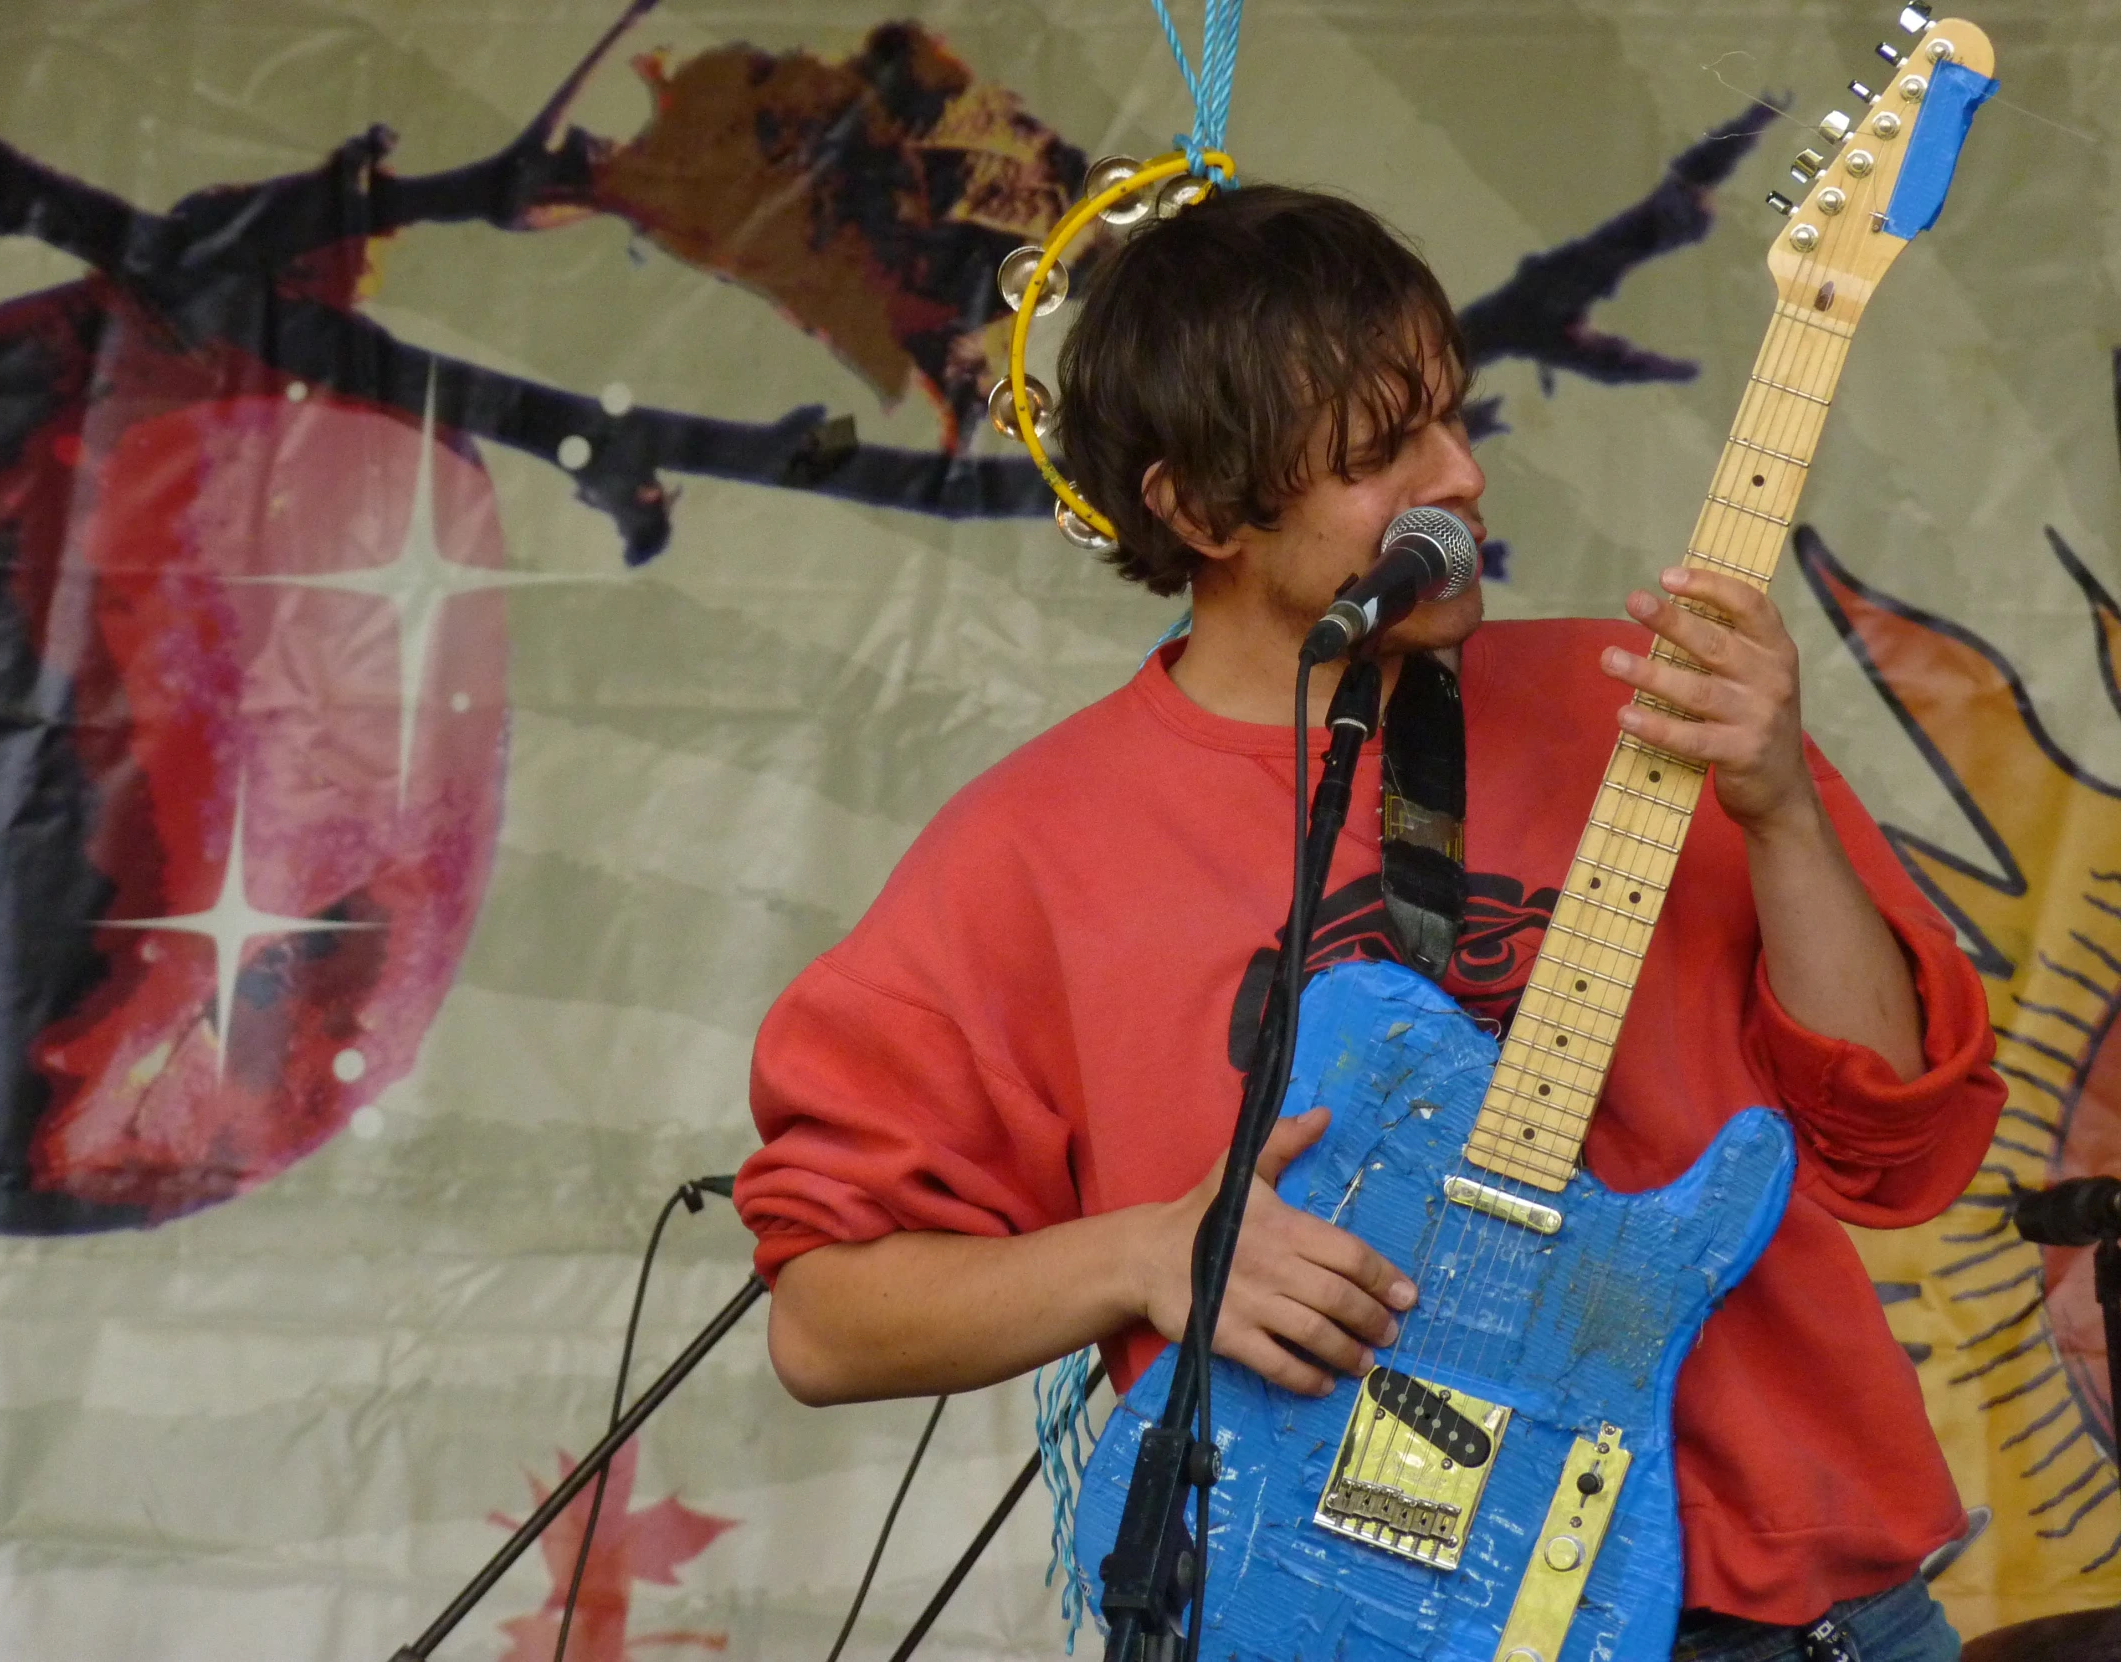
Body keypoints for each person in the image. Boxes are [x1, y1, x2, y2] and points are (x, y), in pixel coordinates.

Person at [735, 184, 2003, 1662]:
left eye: (1452, 418)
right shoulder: (1028, 852)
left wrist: (1781, 808)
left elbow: (1897, 1152)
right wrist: (1152, 1254)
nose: (1459, 476)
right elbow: (826, 1320)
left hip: (1808, 1623)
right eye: (1380, 453)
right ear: (1200, 508)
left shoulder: (1648, 706)